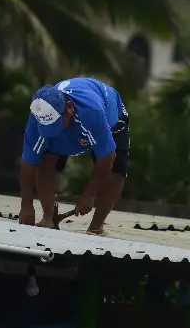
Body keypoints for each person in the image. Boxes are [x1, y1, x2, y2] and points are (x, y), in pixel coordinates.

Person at [18, 77, 130, 236]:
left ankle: (96, 227)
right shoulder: (37, 116)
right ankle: (48, 218)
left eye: (55, 125)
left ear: (70, 108)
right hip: (72, 125)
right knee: (44, 159)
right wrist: (26, 206)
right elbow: (28, 164)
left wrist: (89, 194)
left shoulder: (91, 112)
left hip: (111, 116)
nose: (53, 132)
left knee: (118, 170)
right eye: (47, 128)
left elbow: (107, 157)